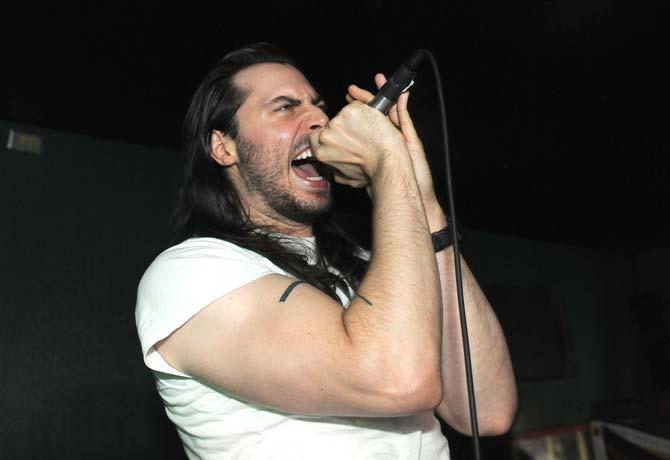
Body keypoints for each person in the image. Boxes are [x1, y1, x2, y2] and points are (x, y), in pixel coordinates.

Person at [135, 42, 517, 459]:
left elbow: (488, 411)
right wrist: (389, 161)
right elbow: (396, 377)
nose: (319, 118)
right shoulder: (190, 274)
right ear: (223, 146)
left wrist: (421, 199)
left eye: (318, 105)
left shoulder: (373, 270)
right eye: (285, 107)